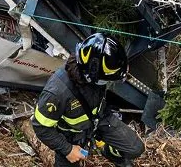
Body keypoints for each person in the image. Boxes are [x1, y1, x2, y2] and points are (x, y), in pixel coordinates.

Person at [31, 33, 145, 167]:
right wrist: (67, 150)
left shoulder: (94, 71)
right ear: (91, 75)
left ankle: (108, 152)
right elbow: (41, 127)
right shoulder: (57, 92)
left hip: (100, 119)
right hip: (71, 136)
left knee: (135, 148)